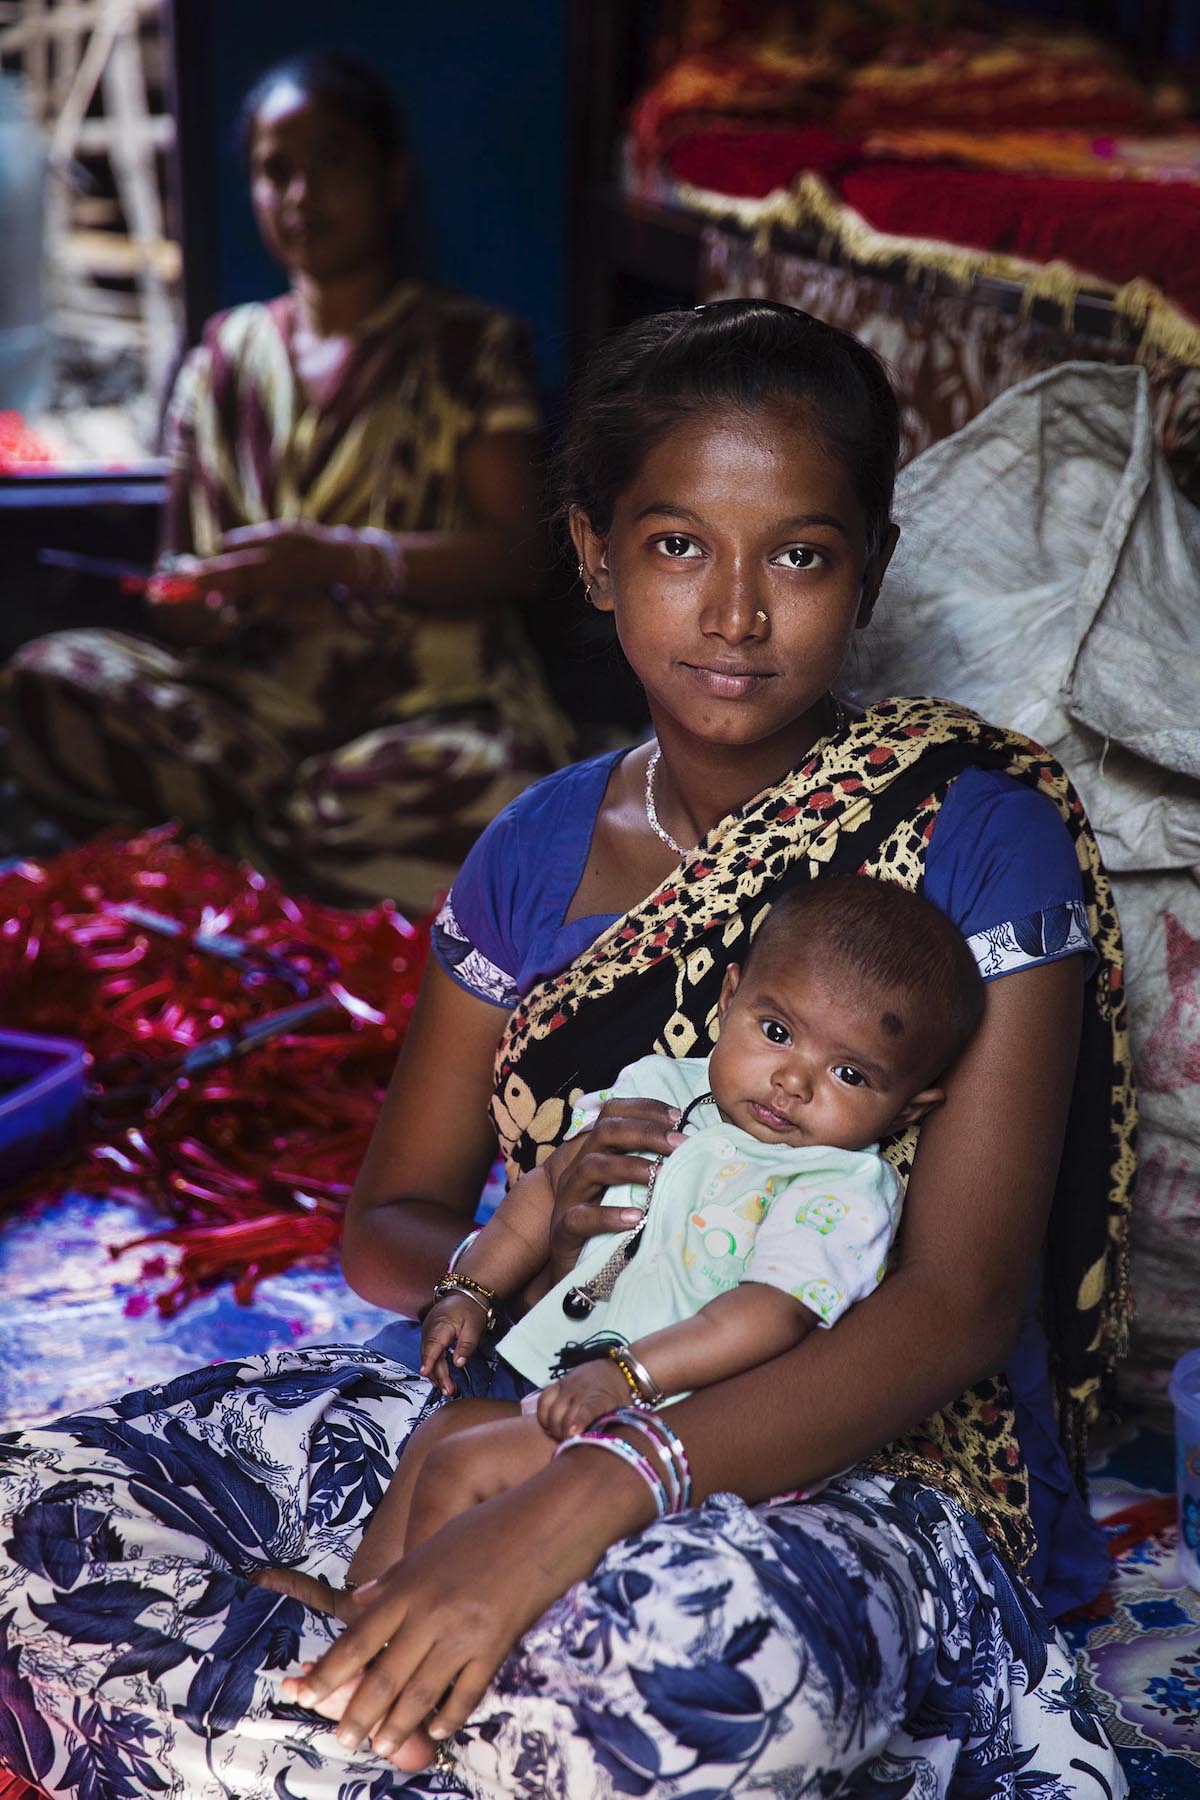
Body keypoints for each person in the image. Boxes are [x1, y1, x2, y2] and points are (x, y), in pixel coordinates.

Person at [0, 302, 1135, 1799]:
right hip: (547, 1373)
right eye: (678, 546)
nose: (737, 612)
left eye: (799, 554)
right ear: (596, 557)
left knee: (705, 1672)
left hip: (855, 1451)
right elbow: (391, 1223)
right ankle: (380, 1723)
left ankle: (312, 1729)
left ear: (870, 572)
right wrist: (515, 1259)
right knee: (35, 1507)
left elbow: (956, 1304)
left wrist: (596, 1494)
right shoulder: (534, 849)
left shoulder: (975, 827)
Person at [1, 52, 571, 914]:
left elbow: (521, 556)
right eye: (276, 173)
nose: (302, 197)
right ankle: (298, 848)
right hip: (248, 718)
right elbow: (175, 583)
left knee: (506, 796)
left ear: (392, 177)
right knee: (47, 678)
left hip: (425, 712)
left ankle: (221, 865)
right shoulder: (223, 358)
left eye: (333, 163)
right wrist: (188, 604)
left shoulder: (468, 347)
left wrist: (342, 560)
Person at [343, 875, 981, 1600]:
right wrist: (472, 1289)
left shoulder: (838, 1189)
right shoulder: (658, 1090)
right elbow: (545, 1190)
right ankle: (359, 1603)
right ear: (729, 996)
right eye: (776, 1033)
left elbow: (771, 1314)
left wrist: (629, 1376)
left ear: (907, 1109)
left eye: (849, 1073)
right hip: (559, 1377)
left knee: (464, 1466)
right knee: (441, 1435)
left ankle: (404, 1630)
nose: (793, 1082)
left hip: (676, 1425)